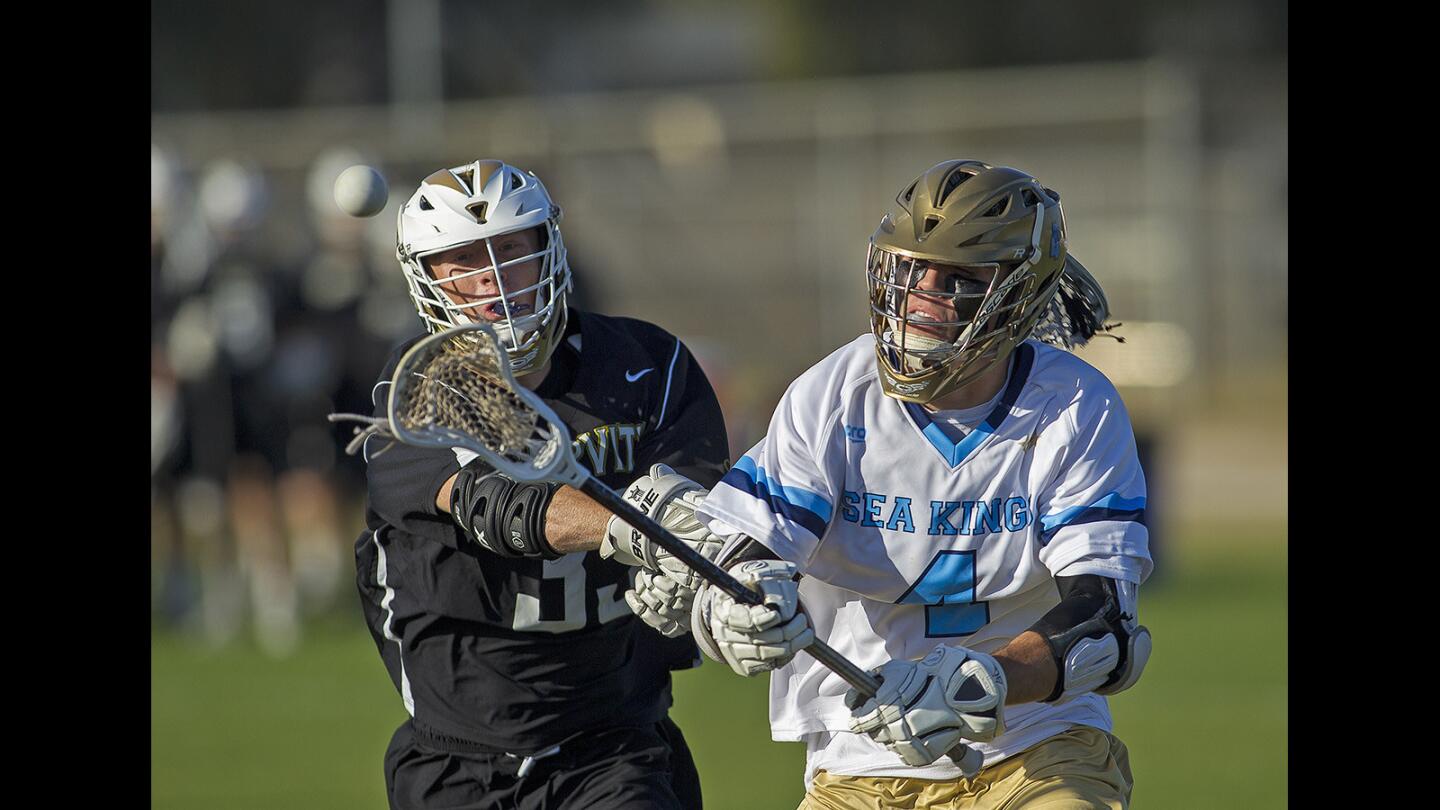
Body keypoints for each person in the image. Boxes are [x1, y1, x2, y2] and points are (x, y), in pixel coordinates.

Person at [631, 160, 1152, 808]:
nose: (922, 294)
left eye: (959, 278)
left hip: (1037, 747)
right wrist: (732, 608)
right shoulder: (832, 396)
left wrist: (978, 682)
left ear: (1018, 293)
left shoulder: (1076, 406)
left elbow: (1103, 626)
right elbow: (748, 556)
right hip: (859, 764)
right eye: (910, 269)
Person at [350, 158, 731, 809]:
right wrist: (628, 532)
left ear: (549, 248)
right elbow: (496, 507)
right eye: (464, 261)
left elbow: (710, 519)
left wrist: (732, 585)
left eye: (510, 251)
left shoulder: (648, 366)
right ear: (425, 278)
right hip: (456, 755)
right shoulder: (412, 394)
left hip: (613, 746)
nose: (493, 281)